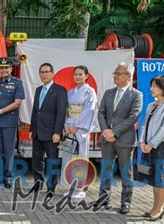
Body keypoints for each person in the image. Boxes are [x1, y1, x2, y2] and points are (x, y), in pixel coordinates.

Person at [94, 62, 143, 215]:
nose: (115, 76)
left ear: (128, 76)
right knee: (106, 169)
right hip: (107, 139)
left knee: (126, 172)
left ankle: (126, 202)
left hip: (124, 140)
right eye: (114, 73)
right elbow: (101, 112)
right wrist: (105, 131)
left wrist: (113, 132)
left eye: (118, 73)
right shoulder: (108, 93)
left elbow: (132, 117)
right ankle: (103, 199)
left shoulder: (136, 95)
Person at [138, 75, 164, 221]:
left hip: (161, 146)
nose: (151, 89)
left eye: (155, 86)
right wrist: (142, 142)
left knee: (161, 179)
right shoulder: (151, 105)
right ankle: (154, 208)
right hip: (148, 146)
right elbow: (143, 125)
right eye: (152, 86)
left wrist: (151, 144)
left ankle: (159, 209)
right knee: (154, 179)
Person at [29, 63, 68, 195]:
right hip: (37, 132)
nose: (44, 74)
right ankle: (37, 183)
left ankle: (51, 187)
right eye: (42, 72)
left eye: (47, 72)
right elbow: (35, 111)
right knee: (37, 160)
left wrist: (57, 132)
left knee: (52, 161)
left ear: (52, 73)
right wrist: (31, 129)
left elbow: (61, 112)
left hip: (52, 133)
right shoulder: (38, 90)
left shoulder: (60, 90)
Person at [59, 65, 98, 199]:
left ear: (86, 76)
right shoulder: (70, 92)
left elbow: (89, 110)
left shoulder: (90, 92)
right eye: (75, 74)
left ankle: (80, 187)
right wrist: (65, 125)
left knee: (79, 157)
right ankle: (70, 186)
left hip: (80, 129)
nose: (77, 77)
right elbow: (66, 110)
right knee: (68, 157)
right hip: (69, 127)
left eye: (80, 74)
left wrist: (77, 126)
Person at [0, 57, 25, 188]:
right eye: (2, 68)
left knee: (9, 151)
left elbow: (17, 103)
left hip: (9, 122)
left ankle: (8, 177)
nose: (4, 70)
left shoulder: (17, 83)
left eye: (7, 67)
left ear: (11, 69)